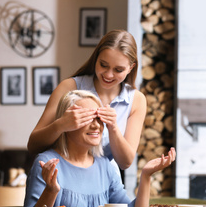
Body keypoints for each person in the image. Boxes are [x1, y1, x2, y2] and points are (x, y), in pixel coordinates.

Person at [13, 90, 176, 207]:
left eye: (99, 118)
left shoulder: (105, 167)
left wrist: (146, 176)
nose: (96, 125)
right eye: (87, 118)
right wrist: (51, 191)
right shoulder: (47, 162)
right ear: (67, 122)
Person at [27, 29, 146, 173]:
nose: (108, 75)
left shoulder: (137, 100)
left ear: (131, 68)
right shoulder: (69, 87)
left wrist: (113, 128)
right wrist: (61, 125)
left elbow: (126, 162)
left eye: (118, 70)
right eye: (103, 65)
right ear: (96, 58)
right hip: (62, 174)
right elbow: (33, 145)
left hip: (104, 179)